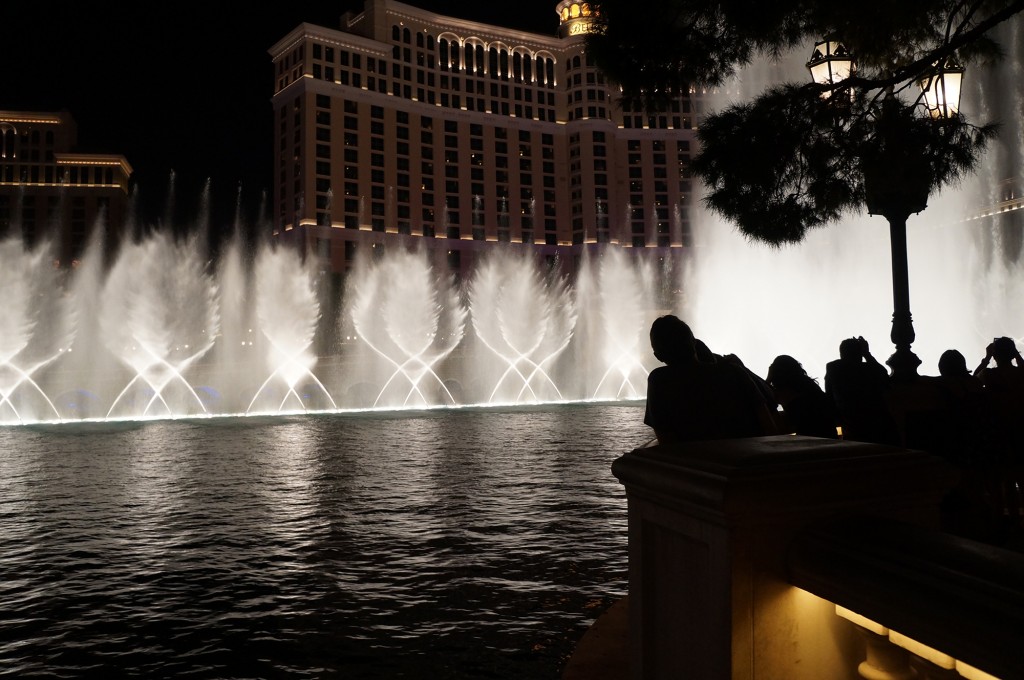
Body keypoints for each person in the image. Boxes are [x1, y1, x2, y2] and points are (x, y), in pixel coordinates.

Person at [643, 315, 776, 444]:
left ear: (658, 356)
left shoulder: (660, 381)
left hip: (696, 463)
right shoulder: (734, 372)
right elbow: (769, 426)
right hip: (747, 459)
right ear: (694, 342)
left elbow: (667, 442)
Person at [824, 336, 899, 445]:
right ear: (860, 353)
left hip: (851, 424)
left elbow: (829, 398)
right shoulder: (870, 370)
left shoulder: (834, 368)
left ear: (841, 353)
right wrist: (867, 354)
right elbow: (884, 377)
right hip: (878, 423)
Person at [766, 354, 838, 438]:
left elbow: (764, 396)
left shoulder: (785, 391)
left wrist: (769, 377)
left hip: (810, 439)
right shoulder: (809, 385)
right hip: (828, 436)